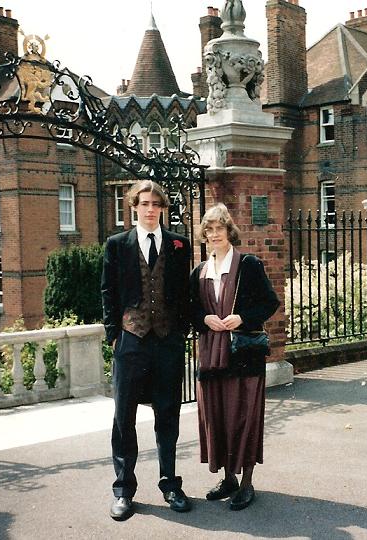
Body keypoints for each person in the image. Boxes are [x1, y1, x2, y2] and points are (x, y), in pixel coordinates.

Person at [101, 180, 192, 521]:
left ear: (163, 208)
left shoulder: (179, 244)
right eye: (145, 203)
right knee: (124, 417)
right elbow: (108, 292)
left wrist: (180, 331)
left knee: (167, 416)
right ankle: (124, 490)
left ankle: (170, 484)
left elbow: (184, 292)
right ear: (134, 206)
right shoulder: (117, 245)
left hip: (167, 342)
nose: (151, 209)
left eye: (157, 203)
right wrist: (114, 335)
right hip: (131, 341)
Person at [188, 203, 280, 511]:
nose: (214, 234)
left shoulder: (249, 265)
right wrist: (204, 319)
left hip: (243, 356)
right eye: (209, 230)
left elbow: (270, 303)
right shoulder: (199, 272)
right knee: (218, 417)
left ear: (230, 231)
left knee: (244, 417)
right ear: (204, 234)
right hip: (211, 357)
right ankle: (228, 478)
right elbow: (189, 311)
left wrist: (242, 318)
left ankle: (246, 483)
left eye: (219, 228)